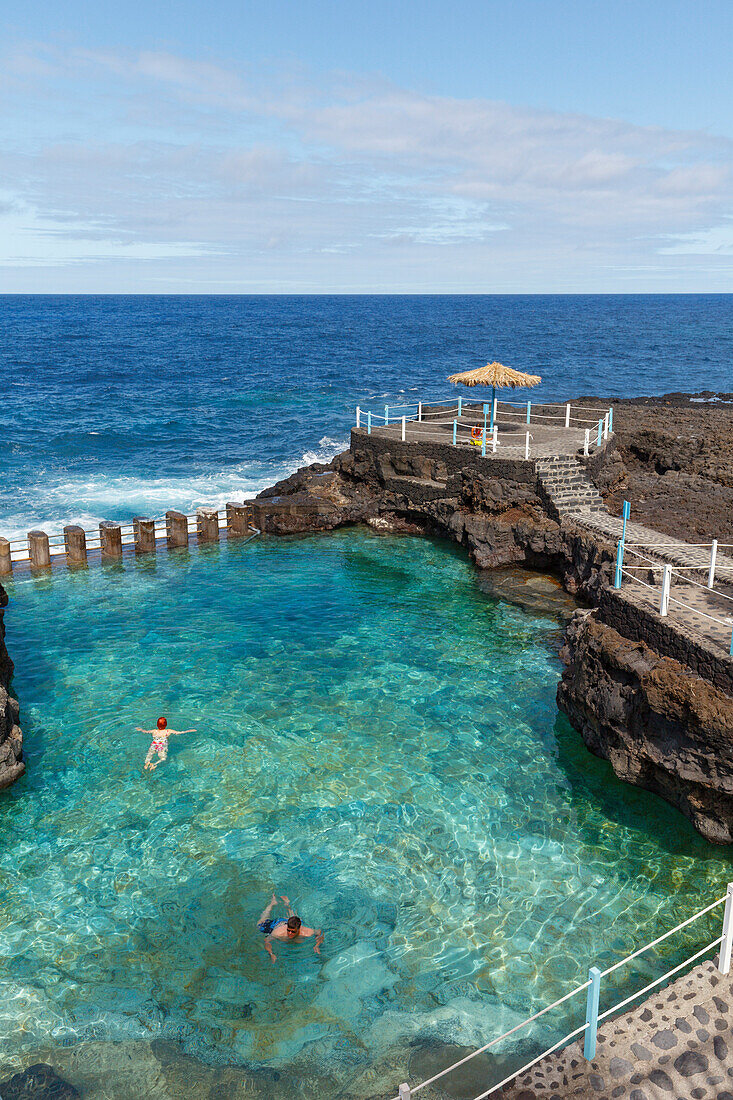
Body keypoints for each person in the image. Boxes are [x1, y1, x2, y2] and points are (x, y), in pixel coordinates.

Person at [255, 893, 324, 964]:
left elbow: (319, 932)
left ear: (299, 929)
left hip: (294, 923)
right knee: (260, 923)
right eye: (289, 930)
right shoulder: (278, 933)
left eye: (293, 932)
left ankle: (287, 904)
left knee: (295, 918)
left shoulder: (307, 932)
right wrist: (271, 954)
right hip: (278, 924)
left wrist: (317, 945)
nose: (290, 933)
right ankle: (272, 903)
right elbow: (267, 941)